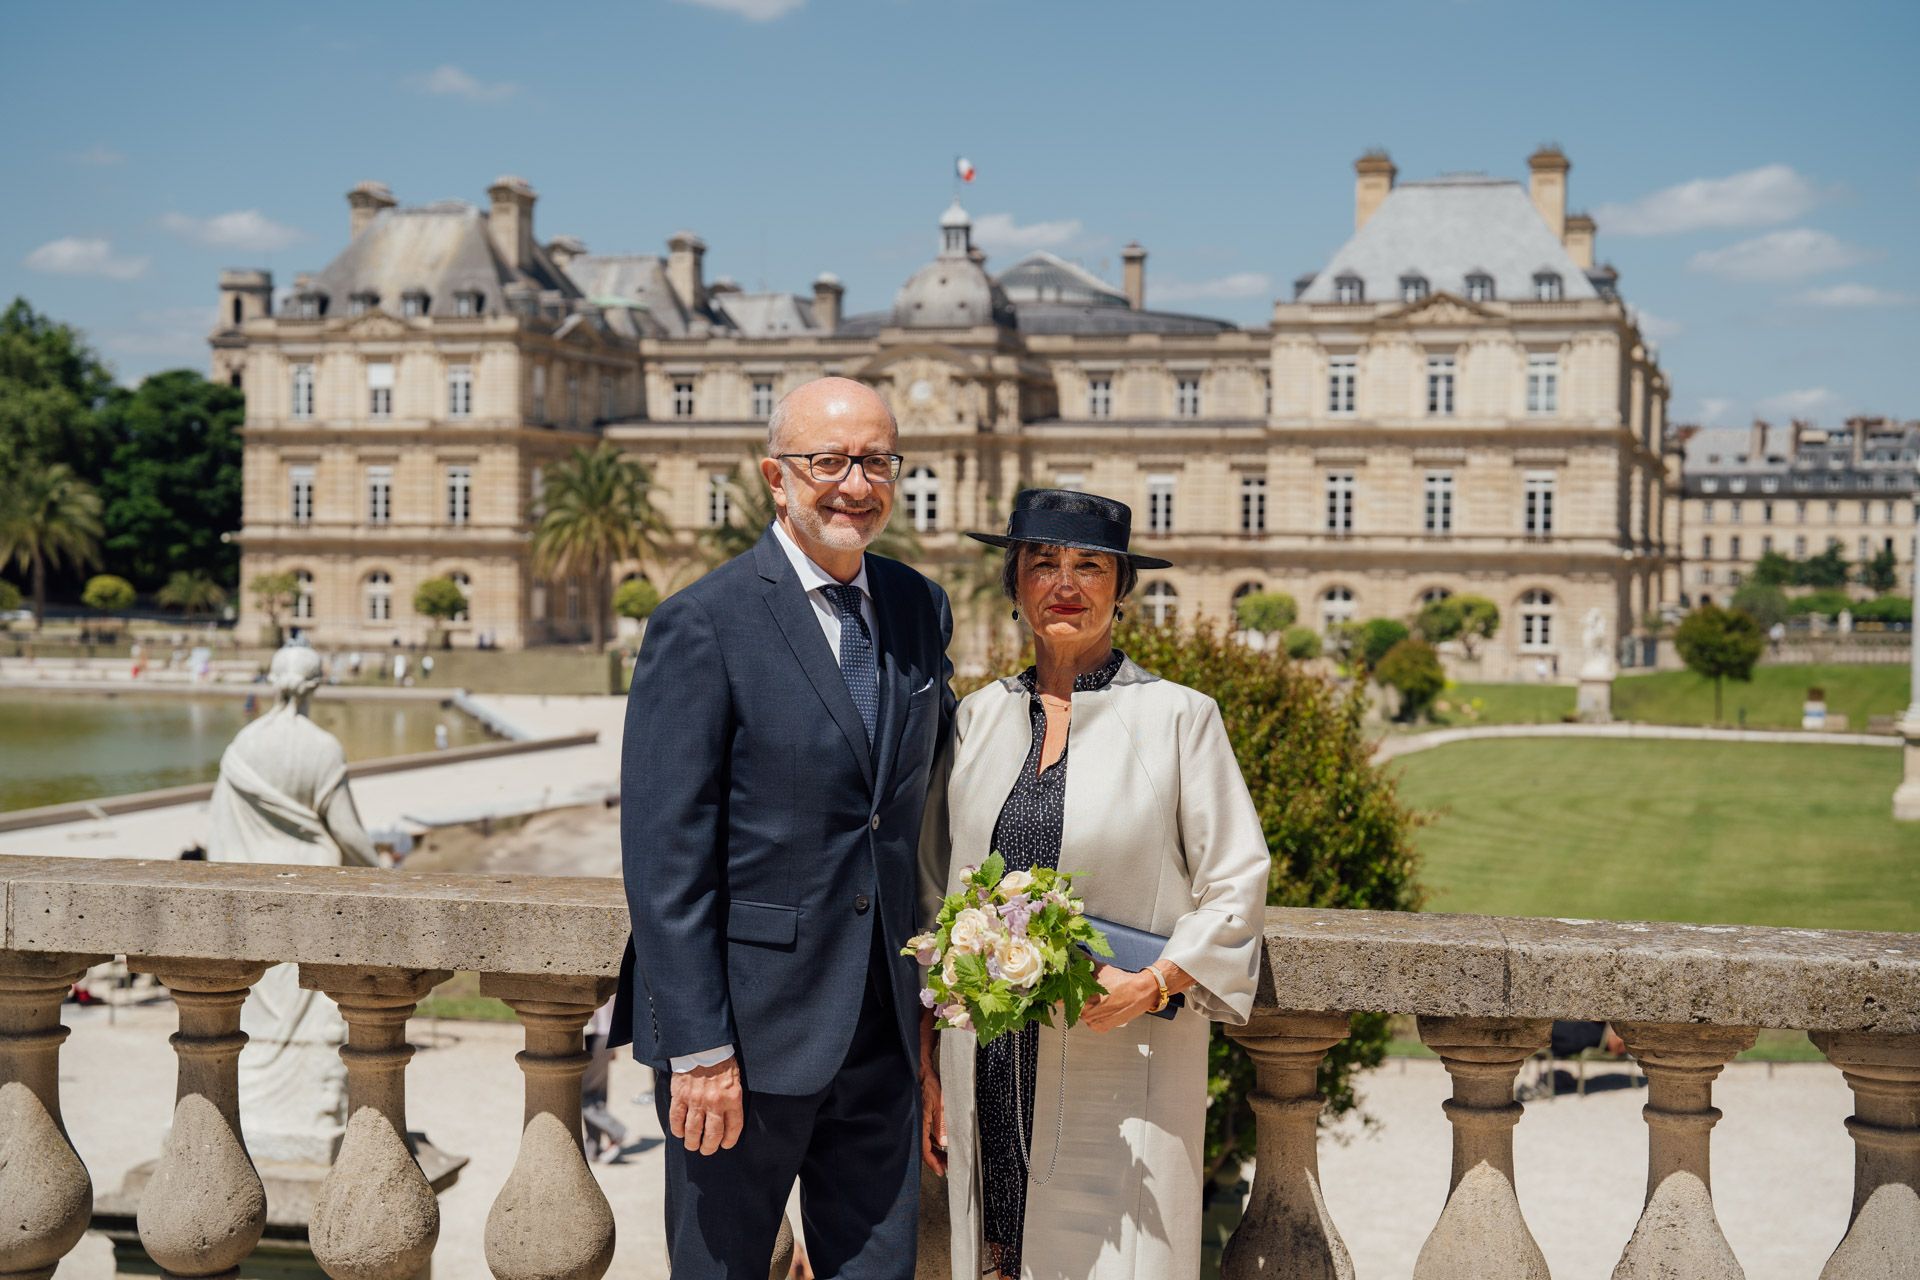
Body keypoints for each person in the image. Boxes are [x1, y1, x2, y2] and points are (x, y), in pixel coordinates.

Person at [610, 377, 956, 1279]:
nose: (855, 483)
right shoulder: (702, 623)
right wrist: (701, 1050)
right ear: (776, 476)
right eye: (828, 460)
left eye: (877, 461)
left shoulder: (920, 608)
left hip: (880, 1035)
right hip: (742, 1046)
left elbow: (912, 810)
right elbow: (664, 859)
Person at [919, 489, 1270, 1280]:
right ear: (1015, 585)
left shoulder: (1180, 718)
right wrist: (930, 1066)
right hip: (992, 1055)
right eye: (1043, 564)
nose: (1065, 584)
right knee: (998, 1258)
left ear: (1121, 586)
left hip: (1127, 1052)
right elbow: (935, 897)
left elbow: (1238, 879)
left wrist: (1153, 982)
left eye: (1089, 565)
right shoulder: (977, 719)